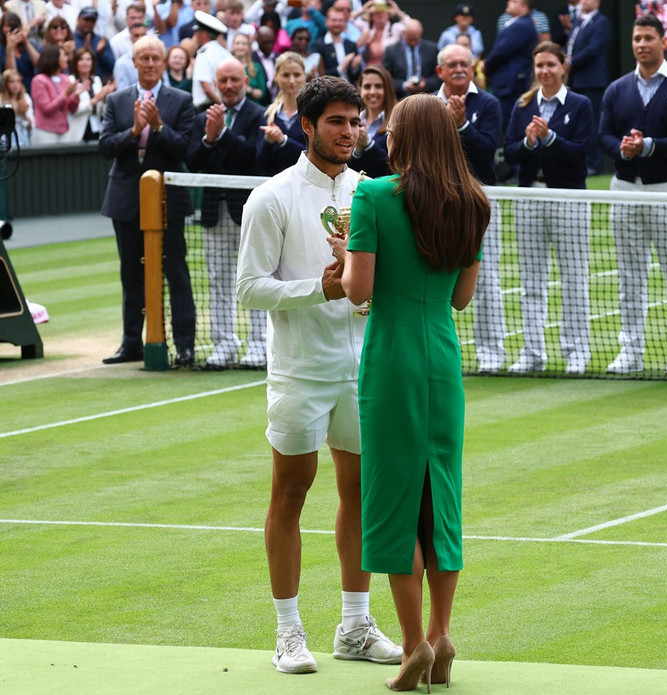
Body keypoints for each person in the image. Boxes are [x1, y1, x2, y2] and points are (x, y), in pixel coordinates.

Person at [236, 74, 402, 675]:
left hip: (364, 368)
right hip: (300, 371)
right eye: (336, 121)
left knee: (359, 494)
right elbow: (249, 289)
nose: (349, 131)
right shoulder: (272, 197)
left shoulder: (373, 192)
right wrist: (321, 288)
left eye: (355, 121)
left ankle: (355, 626)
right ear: (306, 125)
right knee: (291, 492)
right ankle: (288, 632)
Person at [340, 92, 489, 692]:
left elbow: (357, 290)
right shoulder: (474, 202)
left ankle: (413, 646)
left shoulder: (373, 196)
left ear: (402, 138)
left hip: (390, 360)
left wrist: (345, 257)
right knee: (441, 498)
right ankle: (442, 633)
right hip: (441, 359)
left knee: (394, 501)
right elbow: (460, 298)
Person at [598, 14, 667, 376]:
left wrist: (648, 146)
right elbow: (604, 135)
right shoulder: (616, 89)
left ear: (663, 42)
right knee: (630, 276)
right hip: (625, 189)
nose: (641, 44)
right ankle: (631, 350)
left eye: (648, 38)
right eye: (637, 38)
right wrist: (622, 150)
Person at [99, 35, 196, 366]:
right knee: (131, 273)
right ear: (134, 63)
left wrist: (157, 126)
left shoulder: (181, 100)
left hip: (169, 201)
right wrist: (133, 131)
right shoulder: (116, 100)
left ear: (164, 62)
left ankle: (185, 345)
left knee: (176, 272)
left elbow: (185, 149)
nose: (151, 64)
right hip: (125, 200)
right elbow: (105, 146)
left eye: (156, 58)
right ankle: (131, 343)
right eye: (144, 59)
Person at [502, 41, 591, 374]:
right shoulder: (523, 104)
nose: (545, 71)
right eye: (540, 65)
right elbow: (510, 153)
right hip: (529, 198)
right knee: (532, 281)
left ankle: (577, 352)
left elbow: (582, 155)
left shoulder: (580, 105)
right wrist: (528, 142)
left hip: (568, 199)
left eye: (551, 65)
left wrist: (550, 138)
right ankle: (532, 352)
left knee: (574, 278)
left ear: (563, 66)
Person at [185, 58, 267, 368]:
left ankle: (259, 344)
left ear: (245, 80)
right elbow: (192, 161)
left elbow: (253, 156)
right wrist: (209, 138)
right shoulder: (204, 118)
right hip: (213, 212)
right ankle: (224, 345)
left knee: (256, 277)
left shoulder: (260, 115)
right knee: (218, 279)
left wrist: (222, 135)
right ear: (216, 85)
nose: (229, 86)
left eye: (234, 80)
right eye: (223, 81)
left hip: (249, 213)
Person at [435, 42, 502, 372]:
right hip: (436, 200)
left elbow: (487, 152)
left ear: (473, 67)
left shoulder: (488, 104)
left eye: (465, 63)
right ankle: (437, 351)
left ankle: (492, 354)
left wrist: (461, 125)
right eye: (452, 64)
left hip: (480, 200)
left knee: (485, 279)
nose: (459, 69)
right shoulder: (427, 105)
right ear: (440, 71)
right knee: (435, 275)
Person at [564, 0, 609, 175]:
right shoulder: (579, 20)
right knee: (577, 123)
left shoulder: (601, 22)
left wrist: (571, 63)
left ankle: (593, 163)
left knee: (592, 123)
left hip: (592, 81)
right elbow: (570, 46)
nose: (584, 1)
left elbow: (593, 49)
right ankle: (579, 161)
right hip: (575, 81)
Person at [482, 0, 536, 132]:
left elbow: (501, 51)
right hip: (509, 83)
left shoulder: (521, 25)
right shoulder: (522, 23)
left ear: (524, 6)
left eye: (514, 1)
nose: (509, 2)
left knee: (507, 126)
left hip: (511, 86)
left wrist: (486, 65)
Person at [255, 50, 306, 175]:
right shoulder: (267, 114)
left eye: (297, 75)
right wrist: (268, 141)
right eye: (286, 75)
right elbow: (261, 162)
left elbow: (315, 158)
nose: (292, 81)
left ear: (305, 76)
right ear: (276, 77)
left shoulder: (314, 114)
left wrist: (284, 140)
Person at [350, 63, 393, 178]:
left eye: (378, 86)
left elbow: (395, 168)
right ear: (360, 90)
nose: (372, 92)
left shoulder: (397, 121)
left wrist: (368, 144)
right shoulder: (353, 121)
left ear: (387, 89)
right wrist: (358, 149)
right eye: (367, 87)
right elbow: (345, 168)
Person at [30, 45, 80, 144]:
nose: (67, 58)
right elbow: (47, 109)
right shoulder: (39, 80)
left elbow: (72, 110)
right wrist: (65, 94)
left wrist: (76, 97)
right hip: (45, 132)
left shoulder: (66, 79)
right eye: (64, 55)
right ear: (54, 58)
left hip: (64, 131)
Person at [381, 18, 438, 99]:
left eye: (416, 39)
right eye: (410, 39)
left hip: (426, 96)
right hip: (399, 97)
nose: (413, 42)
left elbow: (438, 76)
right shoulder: (391, 51)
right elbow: (385, 77)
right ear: (404, 33)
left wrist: (425, 84)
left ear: (420, 34)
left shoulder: (432, 49)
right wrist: (403, 85)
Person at [66, 47, 114, 142]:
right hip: (79, 129)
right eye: (81, 59)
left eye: (88, 59)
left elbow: (101, 109)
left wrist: (105, 97)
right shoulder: (70, 81)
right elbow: (74, 110)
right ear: (75, 63)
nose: (85, 63)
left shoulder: (96, 80)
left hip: (97, 126)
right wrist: (95, 100)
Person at [309, 4, 361, 83]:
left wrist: (355, 67)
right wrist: (341, 68)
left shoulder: (351, 45)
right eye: (334, 20)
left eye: (340, 21)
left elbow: (356, 76)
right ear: (326, 22)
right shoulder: (317, 46)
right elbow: (318, 76)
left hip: (350, 88)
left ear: (345, 23)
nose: (337, 24)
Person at [191, 9, 231, 109]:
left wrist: (224, 108)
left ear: (204, 34)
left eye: (197, 31)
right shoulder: (225, 53)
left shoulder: (203, 54)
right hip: (223, 104)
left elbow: (207, 88)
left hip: (209, 108)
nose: (195, 35)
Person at [74, 6, 115, 81]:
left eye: (92, 21)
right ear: (78, 19)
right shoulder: (71, 39)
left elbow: (112, 67)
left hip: (100, 81)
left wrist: (102, 53)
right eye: (86, 19)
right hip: (76, 81)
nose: (89, 23)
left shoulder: (101, 41)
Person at [1, 13, 40, 93]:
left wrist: (26, 42)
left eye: (13, 25)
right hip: (12, 91)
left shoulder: (30, 43)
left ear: (20, 26)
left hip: (32, 87)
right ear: (2, 28)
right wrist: (10, 49)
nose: (10, 28)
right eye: (7, 26)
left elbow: (40, 64)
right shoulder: (1, 48)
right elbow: (11, 73)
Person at [231, 33, 269, 106]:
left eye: (244, 44)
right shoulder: (227, 66)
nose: (240, 46)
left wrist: (249, 90)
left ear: (248, 47)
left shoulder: (256, 67)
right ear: (233, 46)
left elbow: (262, 93)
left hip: (253, 107)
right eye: (237, 43)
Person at [0, 67, 32, 145]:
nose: (15, 85)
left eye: (18, 81)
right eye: (11, 81)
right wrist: (17, 112)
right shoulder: (1, 99)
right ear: (5, 83)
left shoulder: (26, 97)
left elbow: (31, 125)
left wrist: (24, 114)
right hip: (6, 140)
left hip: (23, 138)